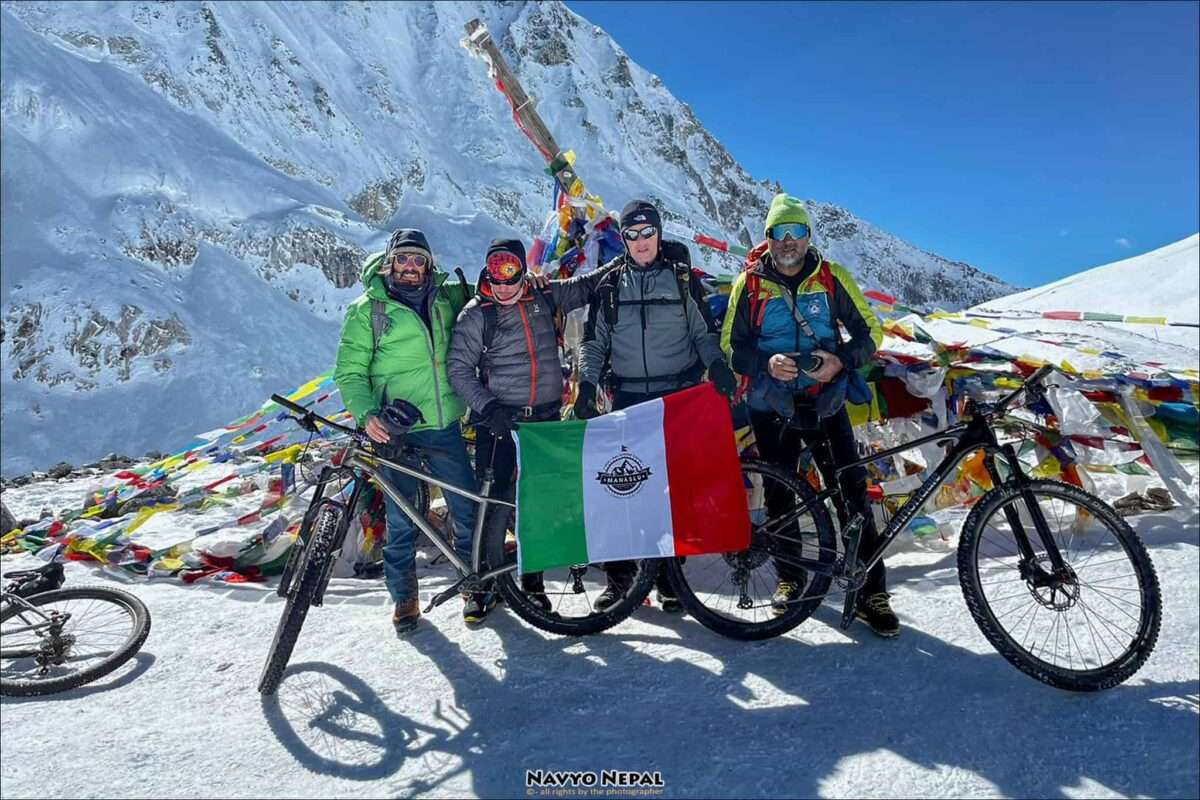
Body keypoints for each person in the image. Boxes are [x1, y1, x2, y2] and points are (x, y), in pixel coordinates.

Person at [721, 193, 897, 637]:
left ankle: (871, 591)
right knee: (780, 496)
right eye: (780, 233)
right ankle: (789, 579)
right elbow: (731, 346)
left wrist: (841, 361)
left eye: (796, 231)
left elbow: (870, 331)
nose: (788, 241)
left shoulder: (832, 279)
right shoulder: (750, 285)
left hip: (825, 400)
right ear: (768, 239)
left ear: (808, 236)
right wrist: (765, 364)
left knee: (851, 494)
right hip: (771, 405)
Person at [576, 199, 739, 613]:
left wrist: (716, 364)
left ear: (659, 234)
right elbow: (594, 343)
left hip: (677, 398)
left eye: (648, 232)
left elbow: (704, 332)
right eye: (632, 234)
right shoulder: (610, 285)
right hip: (628, 398)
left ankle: (670, 579)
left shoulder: (681, 278)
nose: (641, 241)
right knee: (619, 488)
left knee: (673, 492)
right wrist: (586, 384)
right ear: (624, 240)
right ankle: (620, 580)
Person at [447, 238, 616, 616]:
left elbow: (591, 284)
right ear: (487, 271)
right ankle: (483, 588)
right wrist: (488, 407)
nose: (503, 283)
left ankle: (532, 586)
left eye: (510, 272)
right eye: (496, 272)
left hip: (544, 419)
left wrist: (634, 248)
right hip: (500, 423)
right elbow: (458, 368)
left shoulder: (545, 296)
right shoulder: (477, 315)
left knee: (539, 507)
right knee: (494, 509)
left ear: (523, 270)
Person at [333, 227, 480, 635]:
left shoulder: (448, 299)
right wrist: (367, 416)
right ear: (389, 262)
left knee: (466, 511)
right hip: (395, 432)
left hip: (444, 424)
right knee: (402, 520)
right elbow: (349, 373)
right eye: (403, 259)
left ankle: (475, 587)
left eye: (419, 260)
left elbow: (492, 298)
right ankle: (404, 600)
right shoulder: (369, 311)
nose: (411, 267)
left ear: (429, 265)